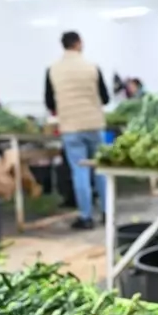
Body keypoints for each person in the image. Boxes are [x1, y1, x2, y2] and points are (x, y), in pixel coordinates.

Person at [46, 31, 111, 230]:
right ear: (79, 43)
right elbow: (105, 98)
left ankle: (86, 217)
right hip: (94, 124)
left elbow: (49, 102)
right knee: (101, 169)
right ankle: (108, 213)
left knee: (79, 171)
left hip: (71, 127)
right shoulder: (92, 67)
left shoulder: (52, 70)